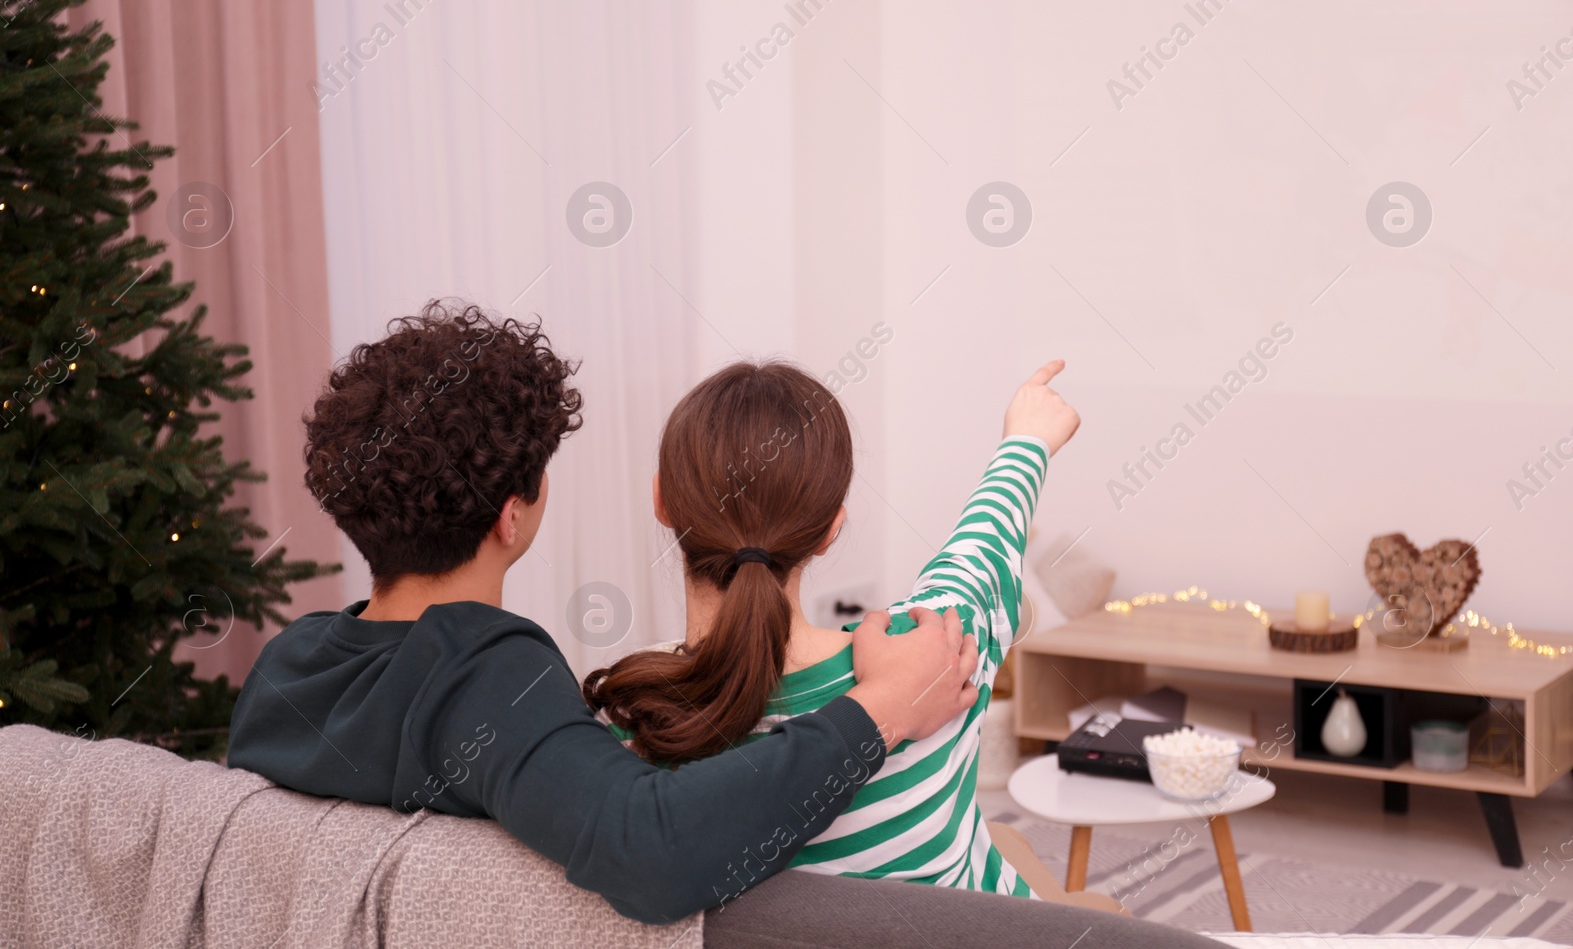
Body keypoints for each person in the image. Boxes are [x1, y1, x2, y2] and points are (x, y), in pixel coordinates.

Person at [225, 303, 982, 924]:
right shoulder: (490, 679)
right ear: (511, 518)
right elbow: (655, 849)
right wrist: (882, 705)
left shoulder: (285, 669)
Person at [586, 358, 1077, 898]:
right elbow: (982, 546)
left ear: (662, 502)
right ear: (829, 531)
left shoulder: (621, 719)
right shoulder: (934, 655)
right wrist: (1026, 443)